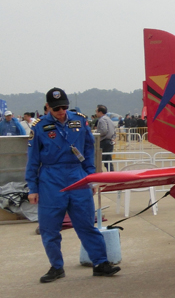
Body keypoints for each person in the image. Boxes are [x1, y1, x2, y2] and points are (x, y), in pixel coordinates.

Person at [26, 87, 120, 283]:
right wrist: (32, 189)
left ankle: (100, 263)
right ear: (48, 107)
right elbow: (33, 160)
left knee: (86, 223)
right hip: (51, 179)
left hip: (77, 176)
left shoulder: (79, 120)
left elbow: (87, 149)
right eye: (56, 108)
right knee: (49, 228)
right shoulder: (39, 126)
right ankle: (56, 267)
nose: (61, 111)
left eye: (63, 107)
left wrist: (91, 177)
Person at [95, 104, 117, 171]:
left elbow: (104, 130)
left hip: (103, 141)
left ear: (100, 112)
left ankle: (98, 174)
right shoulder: (109, 119)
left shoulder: (102, 120)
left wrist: (96, 134)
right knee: (108, 160)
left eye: (96, 111)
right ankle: (112, 175)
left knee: (98, 160)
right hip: (110, 141)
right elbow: (114, 130)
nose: (96, 113)